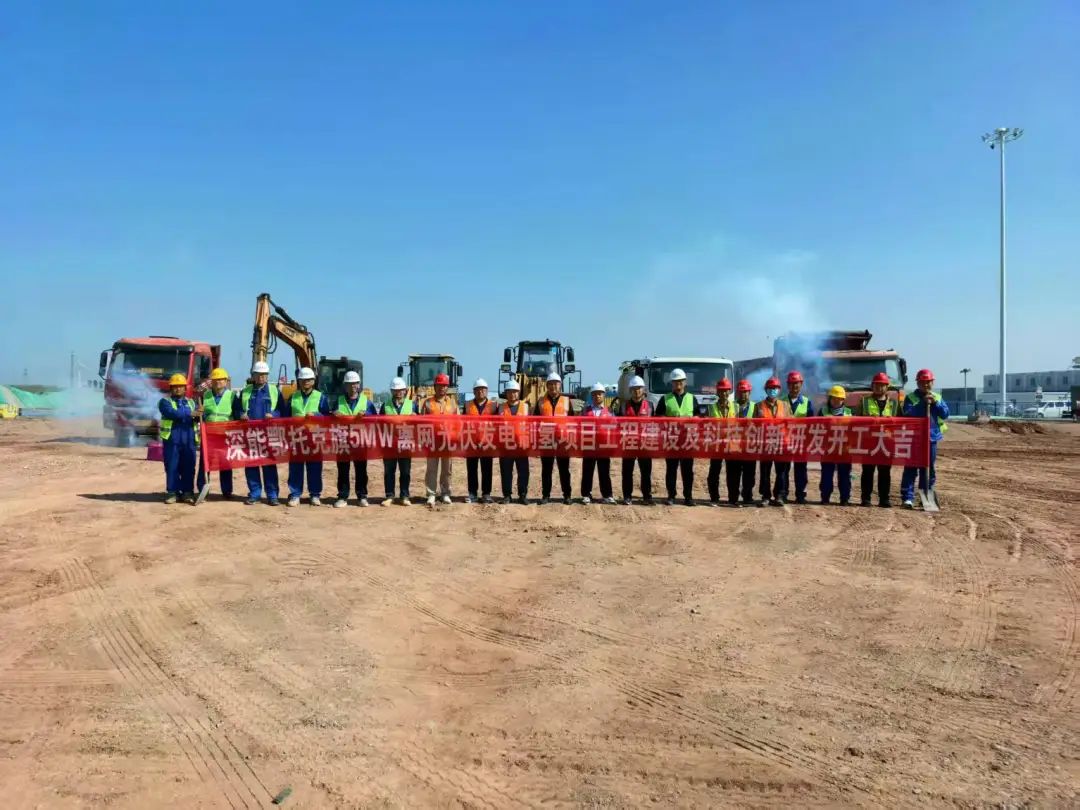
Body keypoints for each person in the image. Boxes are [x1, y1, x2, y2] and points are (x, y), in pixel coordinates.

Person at [233, 360, 285, 505]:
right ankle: (255, 494)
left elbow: (283, 410)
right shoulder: (245, 391)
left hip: (268, 434)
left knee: (269, 465)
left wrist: (273, 415)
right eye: (258, 374)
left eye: (264, 374)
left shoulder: (274, 391)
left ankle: (272, 495)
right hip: (250, 434)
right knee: (251, 465)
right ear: (253, 375)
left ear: (267, 375)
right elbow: (237, 409)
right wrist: (241, 415)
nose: (261, 377)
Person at [901, 368, 950, 509]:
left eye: (928, 382)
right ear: (917, 383)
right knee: (911, 467)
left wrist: (935, 404)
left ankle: (926, 497)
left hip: (931, 438)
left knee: (928, 468)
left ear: (932, 382)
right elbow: (908, 413)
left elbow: (945, 414)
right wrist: (923, 403)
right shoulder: (911, 398)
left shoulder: (937, 397)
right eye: (922, 382)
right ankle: (907, 498)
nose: (925, 385)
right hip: (914, 438)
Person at [332, 370, 378, 508]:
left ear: (359, 385)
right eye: (350, 383)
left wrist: (366, 414)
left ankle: (362, 496)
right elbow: (330, 417)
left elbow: (375, 418)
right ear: (345, 385)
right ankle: (342, 496)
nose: (353, 386)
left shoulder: (366, 402)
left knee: (361, 470)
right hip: (343, 440)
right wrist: (334, 413)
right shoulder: (338, 401)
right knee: (343, 470)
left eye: (355, 383)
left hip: (360, 440)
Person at [287, 366, 331, 507]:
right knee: (295, 468)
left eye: (309, 380)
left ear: (313, 381)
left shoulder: (321, 397)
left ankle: (315, 494)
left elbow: (327, 417)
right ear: (299, 381)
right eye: (303, 380)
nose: (306, 382)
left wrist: (316, 415)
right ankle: (295, 494)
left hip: (314, 438)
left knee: (315, 467)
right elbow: (285, 416)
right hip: (297, 437)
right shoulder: (293, 397)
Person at [653, 368, 697, 506]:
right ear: (671, 383)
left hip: (687, 440)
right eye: (675, 381)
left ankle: (688, 497)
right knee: (671, 469)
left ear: (685, 382)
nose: (678, 384)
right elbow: (658, 417)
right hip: (671, 440)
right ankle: (671, 495)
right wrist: (668, 420)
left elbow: (699, 417)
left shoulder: (692, 398)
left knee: (687, 470)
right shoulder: (665, 399)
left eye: (681, 381)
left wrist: (693, 420)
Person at [859, 372, 900, 507]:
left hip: (887, 443)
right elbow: (856, 420)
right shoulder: (864, 401)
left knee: (884, 472)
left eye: (882, 385)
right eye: (877, 385)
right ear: (872, 386)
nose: (879, 388)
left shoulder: (894, 404)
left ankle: (884, 499)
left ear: (887, 387)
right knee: (867, 471)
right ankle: (866, 498)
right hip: (869, 442)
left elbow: (901, 422)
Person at [158, 373, 199, 504]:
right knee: (172, 466)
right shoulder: (165, 402)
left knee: (189, 466)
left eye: (180, 386)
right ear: (171, 388)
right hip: (172, 439)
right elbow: (172, 413)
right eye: (175, 386)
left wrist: (200, 414)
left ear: (185, 388)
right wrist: (190, 413)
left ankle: (187, 492)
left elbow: (198, 416)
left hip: (189, 439)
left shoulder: (192, 402)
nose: (178, 389)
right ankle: (172, 492)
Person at [196, 368, 235, 500]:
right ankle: (202, 489)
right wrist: (199, 413)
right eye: (215, 379)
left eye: (221, 379)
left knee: (225, 462)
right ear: (211, 382)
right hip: (209, 434)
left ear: (226, 381)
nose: (218, 382)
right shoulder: (205, 396)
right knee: (205, 463)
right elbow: (199, 415)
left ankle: (227, 491)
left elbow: (237, 413)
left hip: (225, 435)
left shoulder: (232, 396)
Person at [538, 371, 575, 504]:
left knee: (564, 469)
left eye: (556, 384)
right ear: (546, 386)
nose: (553, 386)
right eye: (550, 384)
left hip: (563, 439)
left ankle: (567, 495)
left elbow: (573, 421)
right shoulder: (541, 402)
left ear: (560, 385)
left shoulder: (567, 401)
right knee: (546, 469)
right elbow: (535, 421)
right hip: (546, 438)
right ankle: (546, 495)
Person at [754, 377, 790, 507]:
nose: (773, 390)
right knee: (765, 472)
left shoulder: (785, 406)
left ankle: (779, 495)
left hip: (781, 444)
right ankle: (765, 496)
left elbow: (791, 424)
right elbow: (753, 425)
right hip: (765, 444)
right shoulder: (758, 406)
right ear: (766, 390)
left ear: (779, 390)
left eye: (775, 388)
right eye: (770, 388)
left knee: (781, 472)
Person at [423, 372, 458, 506]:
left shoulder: (452, 403)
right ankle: (431, 493)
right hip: (432, 441)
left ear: (447, 387)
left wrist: (455, 439)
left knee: (447, 469)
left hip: (447, 441)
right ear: (435, 387)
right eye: (439, 385)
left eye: (444, 386)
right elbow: (421, 423)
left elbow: (458, 422)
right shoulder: (428, 403)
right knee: (431, 468)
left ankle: (445, 493)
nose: (441, 388)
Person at [619, 376, 653, 505]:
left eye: (639, 388)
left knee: (646, 472)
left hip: (645, 444)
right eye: (634, 389)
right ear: (630, 390)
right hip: (629, 443)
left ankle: (647, 496)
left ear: (643, 389)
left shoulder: (650, 406)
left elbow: (657, 424)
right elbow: (618, 425)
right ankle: (627, 496)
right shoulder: (623, 406)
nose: (637, 391)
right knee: (627, 472)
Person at [381, 376, 414, 505]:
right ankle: (389, 496)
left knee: (405, 471)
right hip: (390, 443)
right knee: (389, 471)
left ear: (405, 390)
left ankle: (404, 496)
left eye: (400, 390)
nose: (398, 392)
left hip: (406, 442)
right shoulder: (385, 405)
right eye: (395, 390)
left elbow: (420, 424)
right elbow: (379, 424)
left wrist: (416, 417)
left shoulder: (412, 405)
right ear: (391, 391)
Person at [580, 382, 615, 504]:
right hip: (589, 445)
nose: (597, 396)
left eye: (599, 394)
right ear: (592, 396)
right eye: (595, 394)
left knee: (604, 471)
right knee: (587, 471)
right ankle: (586, 494)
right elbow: (579, 426)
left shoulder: (609, 411)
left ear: (604, 395)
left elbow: (615, 427)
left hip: (604, 446)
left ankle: (607, 495)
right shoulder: (586, 410)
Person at [497, 379, 530, 504]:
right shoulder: (500, 408)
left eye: (515, 392)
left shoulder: (526, 407)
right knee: (506, 471)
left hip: (522, 445)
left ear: (519, 392)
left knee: (523, 471)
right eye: (510, 392)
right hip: (505, 445)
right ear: (506, 393)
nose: (512, 394)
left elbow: (532, 426)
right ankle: (507, 495)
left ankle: (522, 495)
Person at [819, 386, 853, 505]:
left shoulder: (849, 413)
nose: (836, 401)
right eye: (834, 398)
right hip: (828, 448)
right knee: (827, 474)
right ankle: (825, 497)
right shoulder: (822, 412)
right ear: (830, 398)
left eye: (839, 399)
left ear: (843, 400)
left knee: (844, 475)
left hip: (844, 449)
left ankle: (844, 498)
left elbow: (854, 431)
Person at [465, 378, 497, 503]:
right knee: (472, 469)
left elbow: (498, 424)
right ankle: (472, 493)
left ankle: (486, 494)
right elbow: (462, 423)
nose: (480, 392)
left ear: (487, 391)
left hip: (487, 442)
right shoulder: (467, 405)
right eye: (478, 389)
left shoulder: (493, 405)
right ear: (473, 391)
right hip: (471, 442)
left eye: (483, 389)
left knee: (487, 469)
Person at [706, 378, 737, 506]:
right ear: (717, 392)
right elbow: (705, 425)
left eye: (726, 391)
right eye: (721, 391)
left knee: (733, 472)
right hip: (716, 444)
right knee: (714, 472)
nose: (724, 393)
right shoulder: (710, 407)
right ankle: (714, 497)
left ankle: (733, 499)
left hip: (731, 444)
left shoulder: (736, 407)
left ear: (729, 392)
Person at [727, 379, 757, 507]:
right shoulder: (731, 406)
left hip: (749, 445)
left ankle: (747, 497)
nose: (743, 394)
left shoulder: (755, 407)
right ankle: (733, 497)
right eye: (741, 392)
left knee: (749, 473)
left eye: (745, 392)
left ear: (749, 392)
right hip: (734, 444)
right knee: (733, 473)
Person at [784, 370, 812, 504]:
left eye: (797, 383)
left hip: (801, 441)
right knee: (784, 468)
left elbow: (812, 423)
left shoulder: (807, 402)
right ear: (787, 385)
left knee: (800, 469)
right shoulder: (781, 401)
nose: (794, 386)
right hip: (785, 440)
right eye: (792, 383)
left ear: (801, 384)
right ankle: (782, 493)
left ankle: (800, 494)